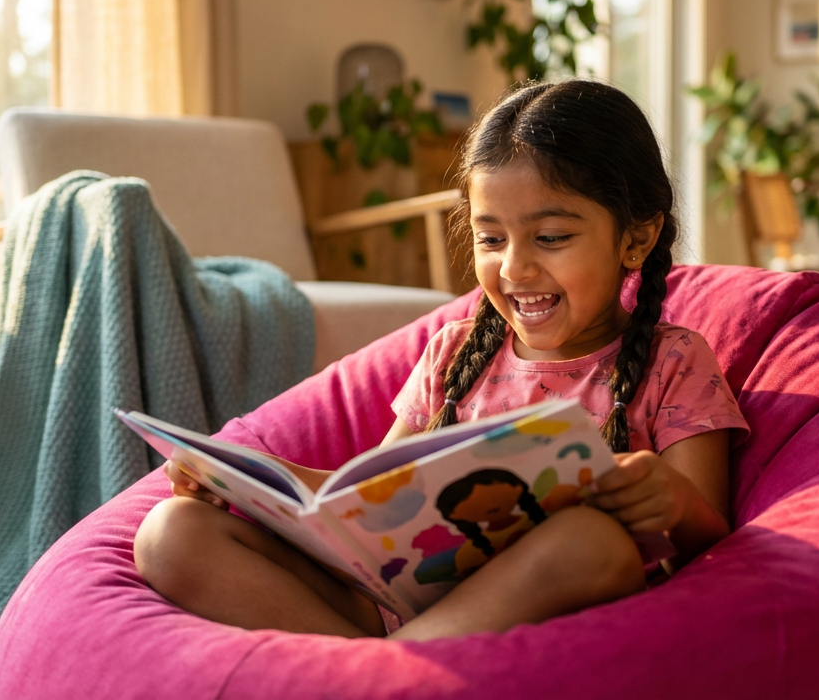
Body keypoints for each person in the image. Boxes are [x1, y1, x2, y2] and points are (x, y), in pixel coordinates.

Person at [133, 79, 750, 641]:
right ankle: (381, 671)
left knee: (593, 542)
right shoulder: (454, 352)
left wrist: (669, 497)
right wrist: (250, 481)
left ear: (635, 238)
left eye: (552, 237)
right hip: (396, 604)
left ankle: (381, 672)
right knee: (171, 533)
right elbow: (367, 496)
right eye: (491, 238)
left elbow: (715, 535)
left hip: (546, 603)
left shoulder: (674, 360)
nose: (515, 268)